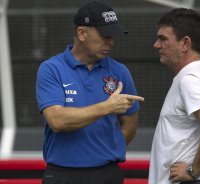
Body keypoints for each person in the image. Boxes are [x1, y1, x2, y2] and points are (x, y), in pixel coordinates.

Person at [35, 1, 144, 184]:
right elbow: (57, 120)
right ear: (81, 33)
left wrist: (103, 152)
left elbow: (130, 125)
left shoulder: (120, 72)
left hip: (108, 174)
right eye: (104, 35)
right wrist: (106, 107)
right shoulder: (51, 69)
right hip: (62, 175)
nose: (110, 41)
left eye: (112, 35)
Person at [148, 8, 200, 184]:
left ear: (185, 43)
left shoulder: (190, 80)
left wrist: (192, 171)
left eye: (163, 39)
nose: (156, 45)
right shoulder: (194, 75)